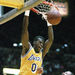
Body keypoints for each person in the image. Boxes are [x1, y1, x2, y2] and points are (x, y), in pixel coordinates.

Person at [19, 9, 54, 75]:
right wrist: (27, 12)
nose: (41, 45)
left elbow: (50, 40)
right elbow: (24, 30)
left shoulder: (42, 53)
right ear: (34, 42)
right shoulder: (27, 48)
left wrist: (49, 23)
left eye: (42, 44)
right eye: (40, 42)